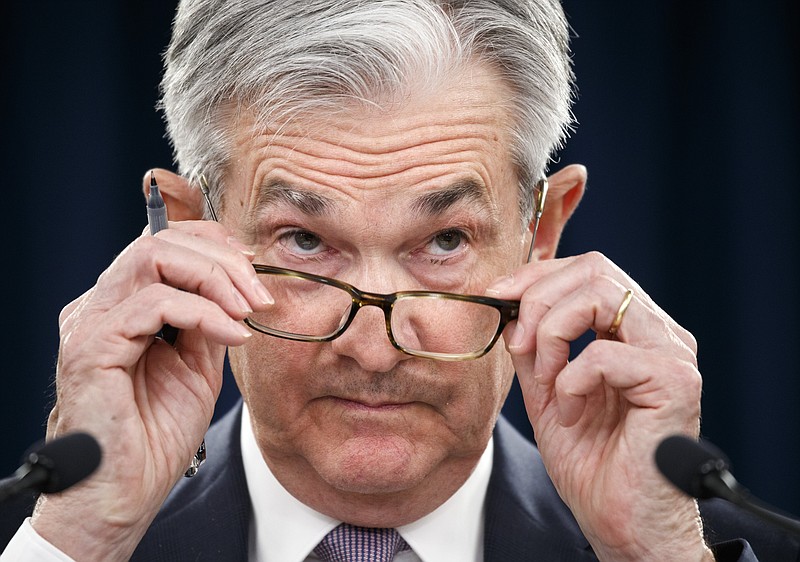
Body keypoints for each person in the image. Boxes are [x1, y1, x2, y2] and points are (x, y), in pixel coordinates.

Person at [1, 0, 798, 560]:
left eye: (445, 239)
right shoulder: (46, 546)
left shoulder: (703, 552)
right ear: (183, 234)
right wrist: (82, 541)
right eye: (305, 242)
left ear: (541, 235)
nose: (376, 352)